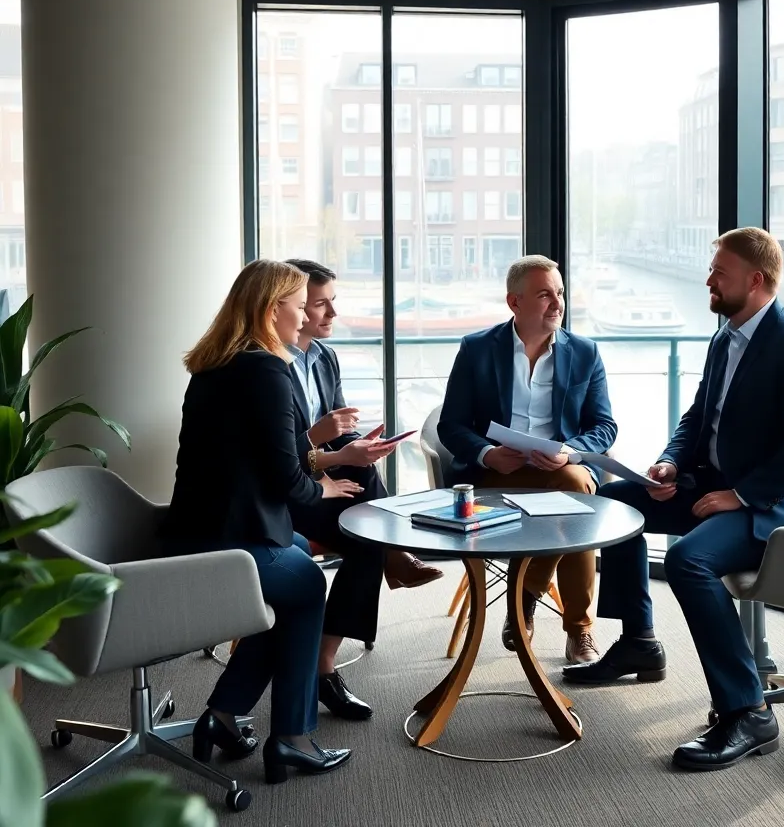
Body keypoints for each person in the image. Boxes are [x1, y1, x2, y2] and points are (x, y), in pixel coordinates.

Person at [563, 228, 784, 772]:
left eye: (719, 272)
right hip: (724, 482)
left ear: (756, 280)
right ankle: (639, 641)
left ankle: (747, 711)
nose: (707, 280)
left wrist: (739, 496)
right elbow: (698, 418)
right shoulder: (727, 338)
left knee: (688, 559)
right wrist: (672, 462)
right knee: (619, 504)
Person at [163, 260, 373, 784]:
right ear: (270, 308)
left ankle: (225, 713)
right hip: (228, 540)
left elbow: (252, 456)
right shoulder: (267, 370)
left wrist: (309, 469)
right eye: (300, 306)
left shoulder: (215, 363)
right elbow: (286, 478)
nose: (304, 319)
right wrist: (321, 486)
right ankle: (293, 738)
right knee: (304, 585)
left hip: (195, 528)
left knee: (298, 559)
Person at [283, 258, 443, 719]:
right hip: (291, 488)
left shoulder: (324, 357)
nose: (332, 314)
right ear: (287, 307)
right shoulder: (268, 367)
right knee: (369, 537)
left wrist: (359, 446)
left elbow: (335, 433)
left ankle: (324, 662)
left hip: (326, 474)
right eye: (319, 304)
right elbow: (277, 454)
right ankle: (324, 668)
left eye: (334, 302)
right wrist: (326, 444)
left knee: (368, 507)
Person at [438, 255, 617, 664]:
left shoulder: (585, 353)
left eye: (560, 293)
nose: (557, 303)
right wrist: (487, 454)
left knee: (575, 492)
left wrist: (569, 451)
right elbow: (451, 425)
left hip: (558, 473)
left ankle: (554, 616)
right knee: (573, 510)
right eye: (544, 295)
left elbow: (604, 426)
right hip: (494, 477)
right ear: (514, 302)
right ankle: (548, 612)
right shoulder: (477, 349)